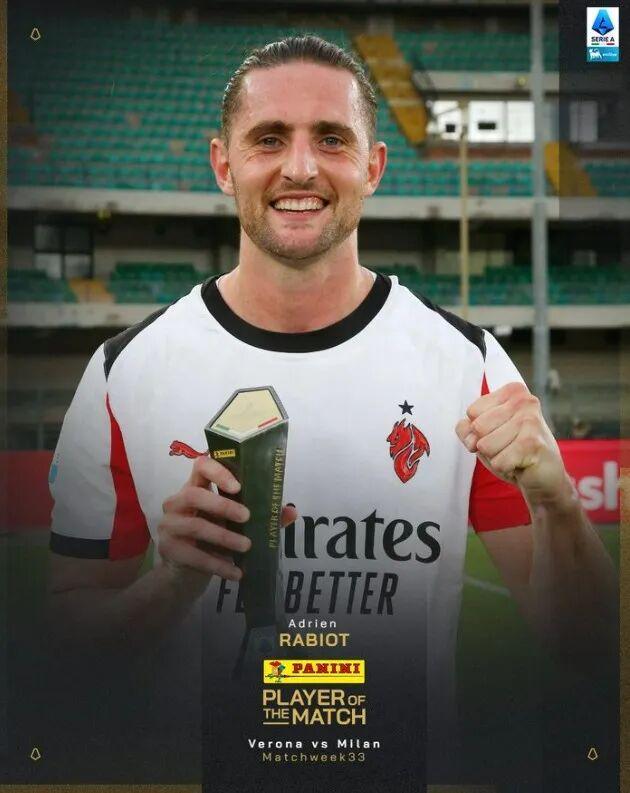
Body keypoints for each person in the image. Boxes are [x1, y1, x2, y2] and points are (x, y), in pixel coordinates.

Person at [47, 35, 617, 785]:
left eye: (332, 139)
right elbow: (68, 658)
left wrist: (557, 500)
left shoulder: (467, 366)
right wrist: (174, 580)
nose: (300, 167)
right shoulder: (124, 373)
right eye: (268, 139)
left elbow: (586, 646)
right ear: (223, 164)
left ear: (373, 167)